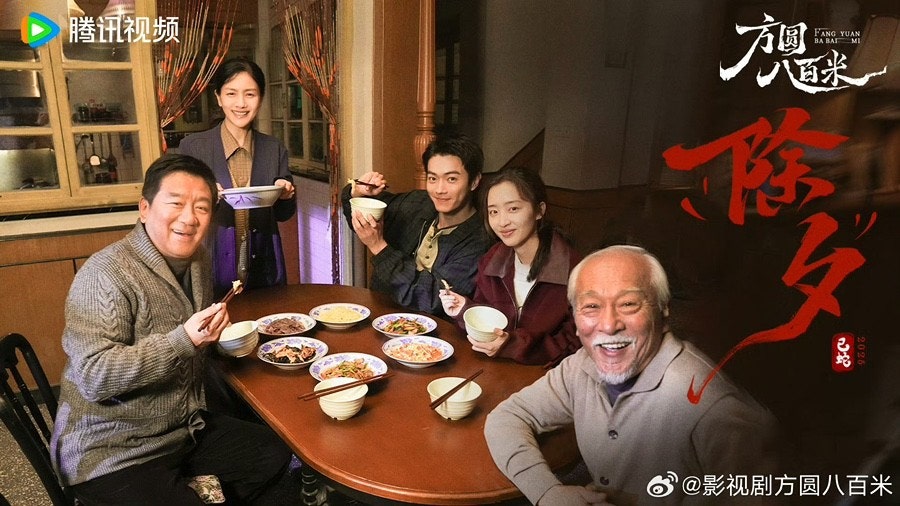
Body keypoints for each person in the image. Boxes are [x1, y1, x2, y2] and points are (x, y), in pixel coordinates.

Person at [50, 154, 296, 504]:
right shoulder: (104, 274)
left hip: (180, 429)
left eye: (202, 207)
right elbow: (95, 377)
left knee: (273, 452)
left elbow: (193, 347)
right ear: (145, 208)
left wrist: (216, 340)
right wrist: (185, 340)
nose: (189, 218)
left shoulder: (197, 260)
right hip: (111, 450)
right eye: (176, 203)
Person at [484, 245, 781, 505]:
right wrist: (548, 493)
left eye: (628, 304)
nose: (609, 324)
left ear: (663, 311)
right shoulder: (582, 366)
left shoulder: (712, 407)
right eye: (591, 306)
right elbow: (507, 417)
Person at [439, 167, 581, 365]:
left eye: (513, 209)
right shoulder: (493, 259)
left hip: (547, 374)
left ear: (539, 210)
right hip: (497, 368)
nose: (502, 222)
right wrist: (464, 310)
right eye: (493, 212)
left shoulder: (576, 270)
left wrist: (513, 345)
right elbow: (488, 316)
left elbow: (576, 340)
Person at [341, 132, 493, 315]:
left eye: (451, 179)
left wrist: (379, 247)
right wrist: (358, 193)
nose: (439, 190)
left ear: (474, 182)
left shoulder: (480, 241)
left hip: (433, 330)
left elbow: (433, 299)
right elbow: (362, 217)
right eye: (433, 178)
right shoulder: (418, 203)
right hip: (380, 314)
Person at [180, 57, 296, 297]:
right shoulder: (193, 147)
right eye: (231, 94)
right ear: (218, 97)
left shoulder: (273, 148)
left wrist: (285, 194)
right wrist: (204, 196)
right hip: (210, 267)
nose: (241, 104)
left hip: (263, 267)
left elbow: (283, 215)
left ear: (260, 98)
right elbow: (180, 208)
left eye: (250, 94)